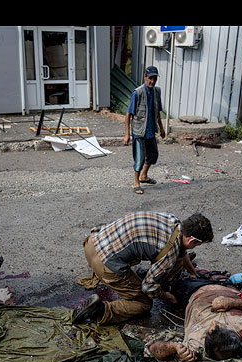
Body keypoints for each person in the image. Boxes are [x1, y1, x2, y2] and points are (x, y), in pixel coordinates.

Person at [75, 211, 213, 325]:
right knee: (143, 303)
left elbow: (181, 252)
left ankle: (157, 278)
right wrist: (166, 296)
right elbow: (148, 287)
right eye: (197, 244)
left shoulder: (173, 221)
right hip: (104, 263)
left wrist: (192, 272)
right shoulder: (169, 254)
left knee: (174, 261)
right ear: (192, 241)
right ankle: (100, 311)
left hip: (93, 242)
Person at [124, 66, 165, 195]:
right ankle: (136, 182)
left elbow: (158, 112)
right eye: (150, 78)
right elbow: (128, 115)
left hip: (151, 130)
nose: (152, 81)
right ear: (145, 77)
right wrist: (127, 134)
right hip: (139, 132)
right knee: (140, 158)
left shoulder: (156, 92)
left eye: (155, 78)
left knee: (153, 155)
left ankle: (144, 176)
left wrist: (162, 128)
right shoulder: (137, 93)